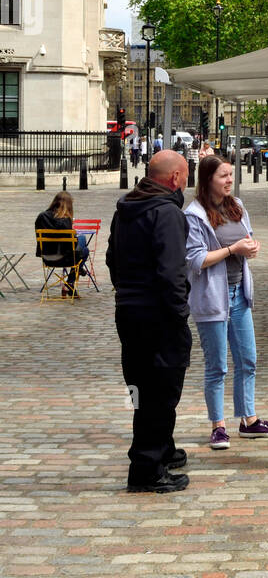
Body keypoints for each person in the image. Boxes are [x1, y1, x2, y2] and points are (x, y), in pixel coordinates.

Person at [106, 150, 191, 494]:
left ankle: (161, 449)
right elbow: (172, 272)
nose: (186, 182)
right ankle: (146, 467)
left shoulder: (126, 208)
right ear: (174, 178)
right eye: (186, 175)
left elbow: (112, 259)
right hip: (158, 314)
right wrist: (179, 312)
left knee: (141, 385)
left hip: (129, 310)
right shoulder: (167, 213)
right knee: (160, 389)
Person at [184, 155, 268, 449]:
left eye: (230, 175)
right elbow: (196, 260)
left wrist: (250, 247)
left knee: (247, 359)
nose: (229, 180)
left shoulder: (237, 206)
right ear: (207, 180)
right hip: (212, 297)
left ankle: (249, 421)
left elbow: (247, 238)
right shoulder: (195, 215)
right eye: (223, 176)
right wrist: (232, 249)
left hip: (239, 293)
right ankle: (218, 426)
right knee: (217, 366)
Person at [35, 191, 90, 295]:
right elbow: (70, 247)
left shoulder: (41, 217)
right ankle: (71, 281)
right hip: (64, 258)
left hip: (47, 258)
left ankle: (76, 274)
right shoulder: (65, 220)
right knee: (84, 245)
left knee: (81, 244)